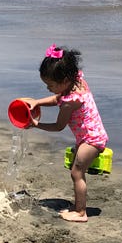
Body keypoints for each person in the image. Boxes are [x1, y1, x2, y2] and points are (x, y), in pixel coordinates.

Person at [21, 44, 108, 223]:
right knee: (77, 170)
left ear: (65, 80)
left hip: (91, 140)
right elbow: (56, 98)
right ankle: (78, 207)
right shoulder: (77, 82)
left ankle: (81, 212)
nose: (48, 89)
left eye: (51, 85)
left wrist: (35, 125)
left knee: (76, 173)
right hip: (89, 136)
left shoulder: (70, 102)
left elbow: (58, 126)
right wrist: (37, 103)